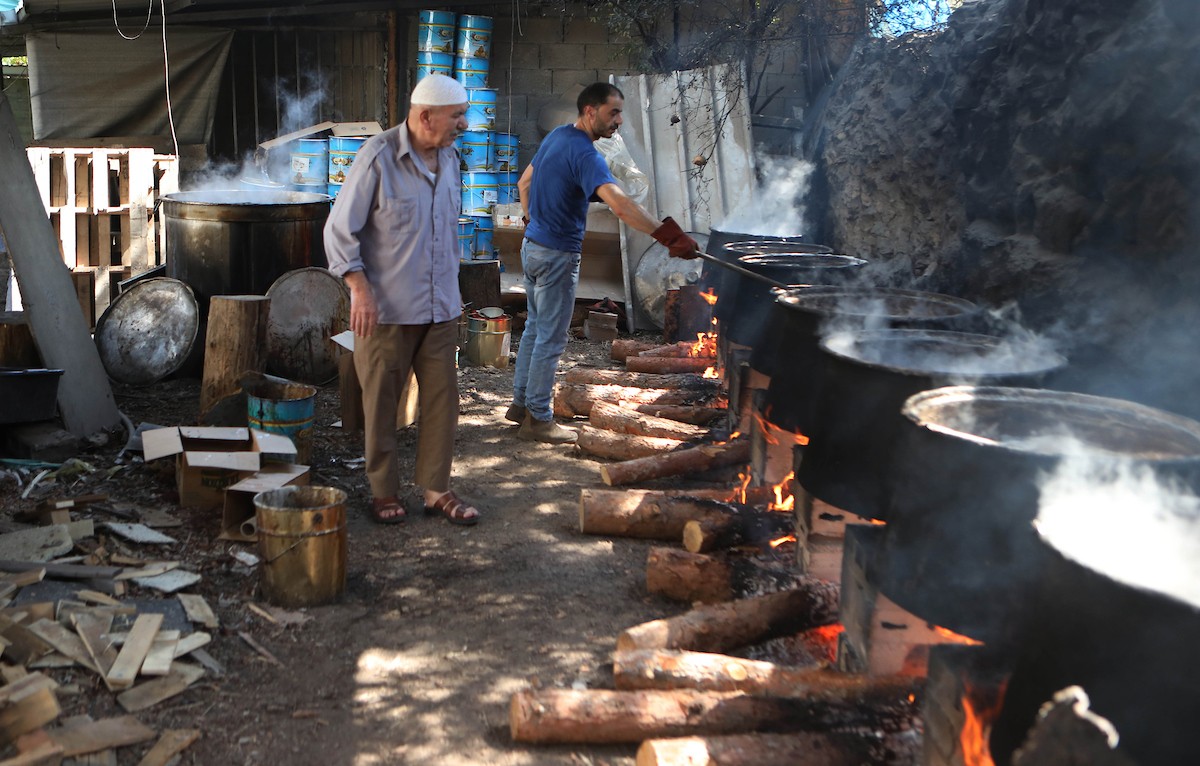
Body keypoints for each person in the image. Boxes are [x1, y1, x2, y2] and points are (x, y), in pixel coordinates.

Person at [324, 74, 480, 526]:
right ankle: (383, 490)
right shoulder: (377, 159)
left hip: (440, 307)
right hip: (386, 310)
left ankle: (435, 489)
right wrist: (359, 289)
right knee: (381, 404)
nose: (463, 124)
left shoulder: (451, 159)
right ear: (426, 115)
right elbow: (339, 231)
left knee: (441, 403)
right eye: (457, 116)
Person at [507, 82, 700, 444]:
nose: (619, 121)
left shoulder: (556, 138)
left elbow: (524, 181)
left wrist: (530, 218)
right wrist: (668, 237)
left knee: (535, 328)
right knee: (550, 337)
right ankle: (538, 418)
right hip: (558, 257)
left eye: (621, 112)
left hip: (532, 248)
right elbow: (622, 205)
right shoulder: (586, 156)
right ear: (590, 111)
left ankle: (520, 406)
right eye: (613, 112)